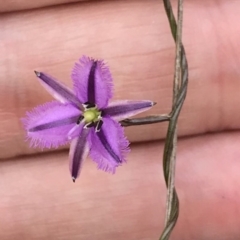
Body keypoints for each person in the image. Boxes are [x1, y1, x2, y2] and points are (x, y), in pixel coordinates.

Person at [0, 0, 240, 239]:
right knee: (46, 132)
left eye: (89, 114)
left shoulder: (94, 103)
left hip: (107, 114)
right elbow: (97, 149)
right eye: (88, 115)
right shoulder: (84, 126)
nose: (88, 115)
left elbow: (91, 77)